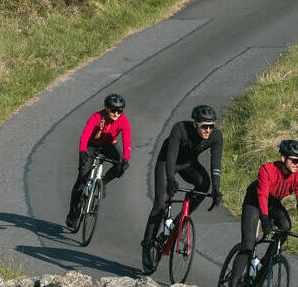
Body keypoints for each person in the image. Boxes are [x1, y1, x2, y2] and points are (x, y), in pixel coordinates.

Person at [143, 102, 223, 271]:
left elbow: (216, 164)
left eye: (211, 126)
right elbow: (171, 156)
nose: (208, 130)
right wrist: (171, 179)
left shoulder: (216, 136)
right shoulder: (180, 129)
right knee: (160, 204)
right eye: (205, 126)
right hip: (167, 163)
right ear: (195, 124)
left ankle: (179, 222)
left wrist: (216, 189)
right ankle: (147, 244)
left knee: (204, 184)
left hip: (187, 164)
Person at [239, 137, 298, 264]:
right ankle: (233, 282)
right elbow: (262, 196)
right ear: (283, 158)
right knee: (248, 245)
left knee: (285, 226)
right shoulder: (267, 169)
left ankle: (265, 263)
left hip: (272, 203)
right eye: (294, 160)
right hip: (253, 201)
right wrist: (264, 219)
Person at [65, 92, 131, 231]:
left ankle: (103, 183)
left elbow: (127, 141)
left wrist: (125, 159)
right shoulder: (96, 117)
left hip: (108, 146)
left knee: (121, 164)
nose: (116, 114)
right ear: (106, 109)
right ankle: (72, 214)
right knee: (82, 179)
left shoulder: (123, 121)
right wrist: (83, 152)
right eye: (113, 110)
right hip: (91, 146)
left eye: (120, 111)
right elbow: (84, 136)